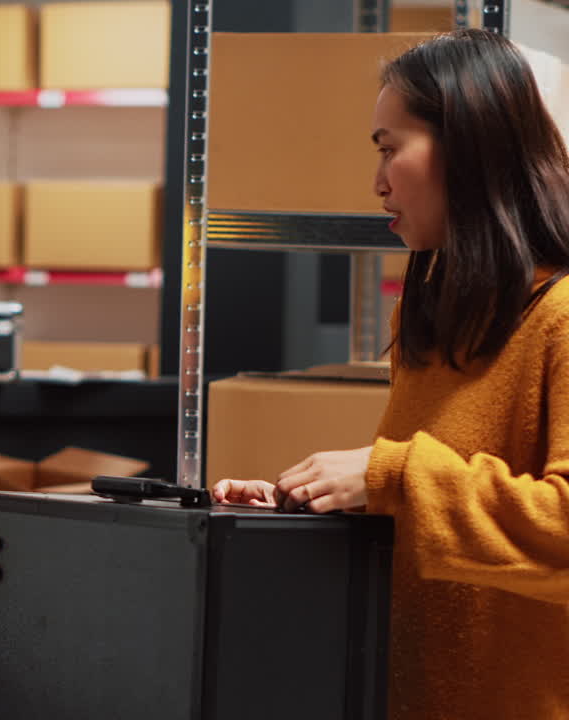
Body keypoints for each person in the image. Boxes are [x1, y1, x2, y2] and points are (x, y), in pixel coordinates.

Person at [214, 29, 569, 719]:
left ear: (467, 145)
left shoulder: (560, 317)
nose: (376, 181)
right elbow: (424, 523)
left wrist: (392, 475)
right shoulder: (439, 319)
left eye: (388, 149)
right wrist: (309, 506)